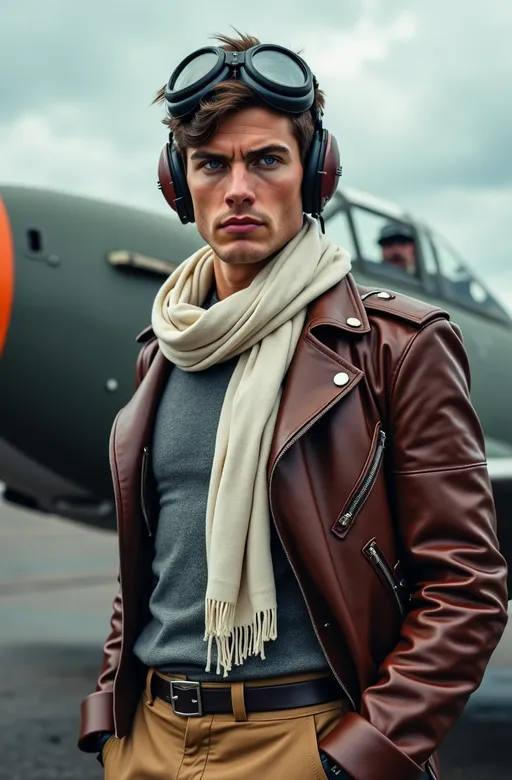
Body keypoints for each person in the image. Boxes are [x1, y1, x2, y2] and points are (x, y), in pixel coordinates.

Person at [77, 33, 508, 780]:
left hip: (305, 743)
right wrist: (110, 722)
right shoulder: (164, 350)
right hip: (148, 742)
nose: (238, 188)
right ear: (179, 185)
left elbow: (466, 584)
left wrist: (364, 755)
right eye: (212, 164)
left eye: (266, 160)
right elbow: (144, 568)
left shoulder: (397, 346)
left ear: (314, 175)